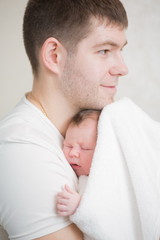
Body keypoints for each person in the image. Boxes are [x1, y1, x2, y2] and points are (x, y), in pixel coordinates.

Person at [0, 0, 128, 239]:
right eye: (104, 51)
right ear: (54, 55)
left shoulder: (105, 128)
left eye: (121, 51)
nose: (122, 68)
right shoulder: (21, 149)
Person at [57, 109, 101, 218]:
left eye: (85, 148)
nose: (73, 153)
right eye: (68, 146)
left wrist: (80, 205)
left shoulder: (105, 180)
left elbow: (109, 210)